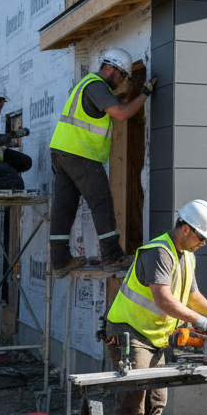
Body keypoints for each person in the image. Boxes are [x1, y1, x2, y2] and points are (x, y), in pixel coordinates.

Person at [104, 199, 207, 415]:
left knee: (156, 400)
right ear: (185, 229)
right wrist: (200, 323)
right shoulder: (159, 251)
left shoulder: (185, 255)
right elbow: (163, 299)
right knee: (132, 405)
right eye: (201, 238)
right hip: (129, 333)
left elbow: (192, 295)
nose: (203, 244)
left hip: (155, 337)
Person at [48, 47, 155, 277]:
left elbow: (114, 104)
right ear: (113, 69)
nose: (122, 81)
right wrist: (145, 93)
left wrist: (128, 96)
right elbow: (121, 113)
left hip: (63, 152)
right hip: (81, 155)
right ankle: (112, 256)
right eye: (123, 76)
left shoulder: (88, 85)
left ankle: (59, 260)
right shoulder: (96, 85)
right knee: (102, 202)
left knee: (64, 207)